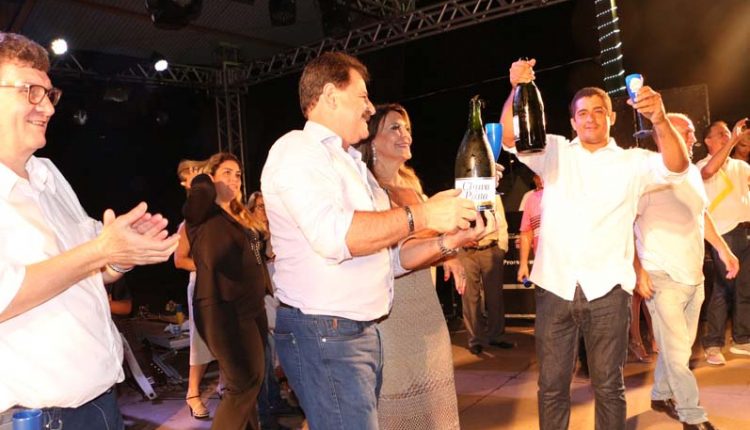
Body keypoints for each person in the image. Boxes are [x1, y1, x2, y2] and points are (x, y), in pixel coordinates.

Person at [260, 52, 484, 430]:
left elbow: (390, 258)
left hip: (357, 333)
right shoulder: (297, 150)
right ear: (330, 96)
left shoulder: (351, 165)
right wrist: (424, 215)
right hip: (326, 333)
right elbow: (336, 236)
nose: (369, 107)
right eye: (362, 96)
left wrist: (449, 241)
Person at [0, 32, 179, 429]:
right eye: (31, 91)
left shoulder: (47, 175)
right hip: (33, 419)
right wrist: (100, 251)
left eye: (50, 94)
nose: (48, 107)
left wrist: (120, 255)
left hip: (99, 404)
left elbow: (86, 273)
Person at [500, 58, 689, 430]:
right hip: (555, 288)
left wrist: (660, 119)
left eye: (598, 111)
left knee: (609, 387)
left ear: (611, 118)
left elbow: (678, 166)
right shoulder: (554, 152)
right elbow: (509, 137)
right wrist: (517, 88)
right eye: (582, 113)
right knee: (551, 387)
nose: (590, 119)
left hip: (608, 292)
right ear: (573, 122)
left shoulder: (633, 162)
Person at [354, 103, 476, 429]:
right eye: (394, 128)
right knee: (397, 395)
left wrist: (449, 255)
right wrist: (447, 246)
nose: (405, 134)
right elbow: (394, 253)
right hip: (392, 309)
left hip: (425, 302)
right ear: (371, 140)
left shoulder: (413, 187)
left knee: (433, 397)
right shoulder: (367, 191)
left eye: (407, 128)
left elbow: (426, 235)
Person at [634, 112, 738, 430]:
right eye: (685, 133)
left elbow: (701, 215)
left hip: (694, 277)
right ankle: (692, 414)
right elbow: (625, 223)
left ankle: (660, 394)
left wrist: (724, 249)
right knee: (678, 349)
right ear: (661, 135)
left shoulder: (691, 173)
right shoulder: (646, 174)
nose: (692, 139)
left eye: (691, 133)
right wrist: (638, 270)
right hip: (661, 275)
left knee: (678, 347)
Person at [184, 152, 269, 430]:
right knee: (243, 384)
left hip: (252, 306)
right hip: (222, 308)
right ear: (212, 178)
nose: (234, 179)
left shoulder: (240, 214)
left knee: (252, 381)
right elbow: (196, 200)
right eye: (226, 173)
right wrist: (202, 182)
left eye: (238, 174)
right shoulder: (203, 214)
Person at [697, 118, 750, 365]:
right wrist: (733, 141)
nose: (727, 136)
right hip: (723, 235)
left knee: (745, 287)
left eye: (728, 132)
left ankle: (742, 339)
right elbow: (709, 172)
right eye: (721, 134)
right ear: (707, 141)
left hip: (745, 230)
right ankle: (713, 343)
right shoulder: (703, 165)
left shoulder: (740, 166)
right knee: (722, 289)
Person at [174, 159, 215, 420]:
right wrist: (208, 267)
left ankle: (226, 385)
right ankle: (192, 393)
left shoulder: (216, 220)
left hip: (222, 286)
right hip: (201, 286)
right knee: (200, 341)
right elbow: (179, 260)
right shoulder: (187, 224)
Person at [459, 192, 511, 355]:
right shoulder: (460, 193)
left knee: (495, 296)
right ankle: (475, 339)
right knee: (470, 297)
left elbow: (501, 222)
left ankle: (497, 335)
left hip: (490, 248)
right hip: (466, 251)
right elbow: (453, 222)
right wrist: (460, 241)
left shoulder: (491, 194)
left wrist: (502, 247)